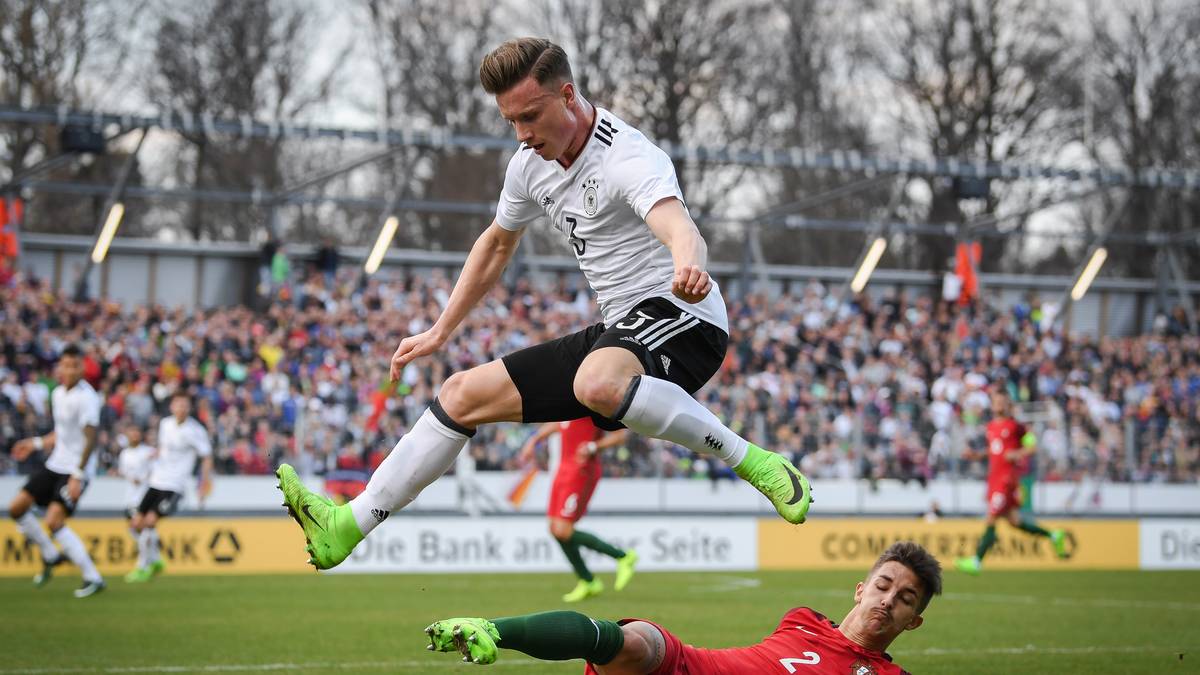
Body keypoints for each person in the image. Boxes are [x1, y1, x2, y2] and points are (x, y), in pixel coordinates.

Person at [275, 37, 812, 570]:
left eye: (531, 115)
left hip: (685, 316)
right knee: (460, 394)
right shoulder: (528, 166)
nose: (523, 134)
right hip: (620, 329)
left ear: (568, 96)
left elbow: (678, 224)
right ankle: (348, 526)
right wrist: (440, 331)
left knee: (596, 382)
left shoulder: (626, 155)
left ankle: (755, 462)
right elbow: (495, 246)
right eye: (511, 121)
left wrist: (687, 263)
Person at [424, 541, 941, 674]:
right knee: (635, 640)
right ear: (860, 588)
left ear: (913, 622)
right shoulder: (803, 619)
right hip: (690, 667)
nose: (887, 601)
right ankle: (491, 627)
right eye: (883, 585)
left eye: (904, 599)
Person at [7, 345, 106, 598]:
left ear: (82, 368)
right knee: (17, 508)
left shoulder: (87, 397)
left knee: (54, 521)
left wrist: (78, 475)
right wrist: (35, 443)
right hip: (56, 463)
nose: (70, 370)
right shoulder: (59, 393)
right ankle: (50, 555)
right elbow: (62, 434)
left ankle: (93, 577)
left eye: (75, 365)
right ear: (59, 367)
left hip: (76, 469)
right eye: (66, 365)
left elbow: (90, 439)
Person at [517, 419, 637, 602]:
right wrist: (534, 440)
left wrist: (593, 447)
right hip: (563, 470)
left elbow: (621, 435)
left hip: (581, 469)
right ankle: (588, 581)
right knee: (554, 529)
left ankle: (623, 556)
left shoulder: (594, 402)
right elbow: (561, 424)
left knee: (563, 529)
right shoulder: (570, 400)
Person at [955, 390, 1067, 575]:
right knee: (1015, 521)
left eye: (1002, 401)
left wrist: (1018, 453)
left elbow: (1032, 445)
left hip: (1006, 479)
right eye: (996, 401)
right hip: (994, 478)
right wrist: (976, 455)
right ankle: (1054, 536)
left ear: (1008, 405)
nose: (998, 404)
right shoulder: (991, 427)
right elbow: (994, 451)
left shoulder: (1015, 426)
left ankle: (977, 560)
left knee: (991, 517)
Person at [125, 391, 213, 583]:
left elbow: (206, 456)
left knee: (149, 522)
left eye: (184, 405)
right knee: (136, 524)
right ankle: (156, 560)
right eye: (177, 404)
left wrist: (203, 483)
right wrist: (156, 455)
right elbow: (165, 448)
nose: (181, 408)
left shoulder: (195, 431)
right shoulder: (165, 424)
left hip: (174, 485)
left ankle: (142, 567)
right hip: (156, 480)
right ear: (172, 407)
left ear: (189, 408)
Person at [116, 422, 156, 540]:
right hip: (130, 498)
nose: (134, 434)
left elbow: (155, 470)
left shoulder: (148, 451)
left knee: (143, 527)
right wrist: (132, 478)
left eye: (137, 432)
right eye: (132, 432)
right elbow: (123, 472)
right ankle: (151, 555)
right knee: (134, 529)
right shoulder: (124, 454)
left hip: (145, 496)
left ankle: (147, 557)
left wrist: (144, 478)